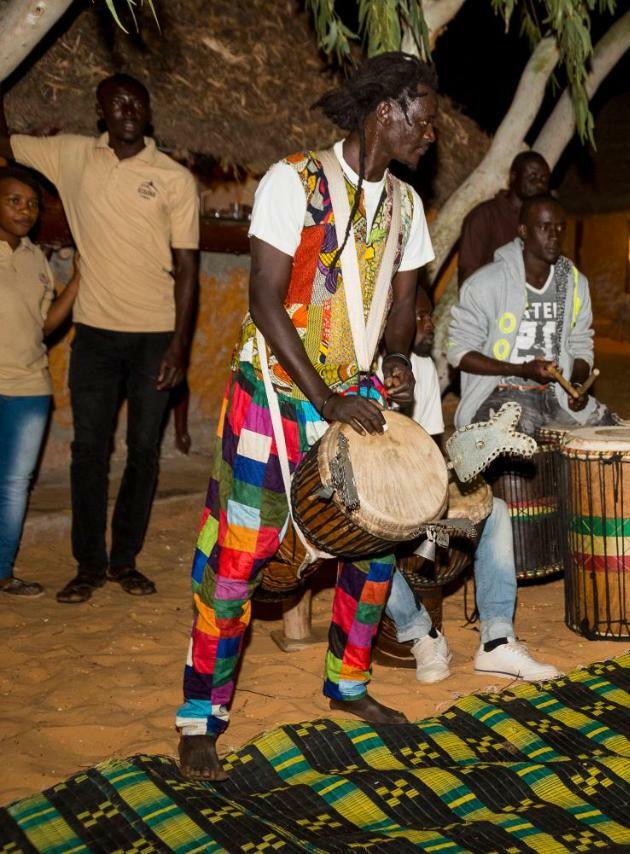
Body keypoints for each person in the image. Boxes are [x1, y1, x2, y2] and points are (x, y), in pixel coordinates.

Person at [175, 52, 439, 781]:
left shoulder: (409, 208)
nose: (432, 136)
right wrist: (323, 399)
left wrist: (397, 364)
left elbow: (403, 307)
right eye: (424, 120)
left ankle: (348, 685)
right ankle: (201, 715)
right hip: (277, 395)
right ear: (386, 111)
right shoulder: (293, 181)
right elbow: (264, 298)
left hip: (356, 395)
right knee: (238, 559)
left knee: (376, 542)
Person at [1, 74, 200, 604]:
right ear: (101, 111)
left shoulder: (175, 179)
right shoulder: (71, 156)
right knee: (88, 452)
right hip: (92, 335)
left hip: (155, 336)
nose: (129, 108)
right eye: (118, 102)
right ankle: (88, 564)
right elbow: (7, 144)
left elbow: (188, 268)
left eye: (138, 100)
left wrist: (180, 346)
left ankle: (124, 562)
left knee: (142, 453)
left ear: (149, 111)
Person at [382, 289, 560, 683]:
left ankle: (496, 641)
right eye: (422, 316)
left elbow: (430, 447)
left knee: (493, 510)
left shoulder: (423, 368)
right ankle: (421, 634)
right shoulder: (361, 369)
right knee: (368, 545)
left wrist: (465, 464)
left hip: (415, 496)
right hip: (374, 500)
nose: (429, 325)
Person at [448, 194, 617, 436]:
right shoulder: (486, 283)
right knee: (513, 448)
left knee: (611, 437)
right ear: (524, 231)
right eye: (544, 227)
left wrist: (576, 387)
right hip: (501, 391)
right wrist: (521, 369)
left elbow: (581, 345)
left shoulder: (574, 283)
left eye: (560, 227)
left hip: (556, 395)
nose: (554, 235)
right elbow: (460, 353)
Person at [0, 165, 79, 597]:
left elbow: (44, 324)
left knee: (13, 485)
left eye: (31, 204)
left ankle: (3, 571)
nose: (25, 210)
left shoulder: (35, 259)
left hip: (30, 387)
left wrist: (77, 282)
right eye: (14, 200)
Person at [457, 151, 550, 286]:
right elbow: (468, 275)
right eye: (533, 177)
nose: (540, 184)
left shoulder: (543, 223)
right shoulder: (484, 216)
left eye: (544, 180)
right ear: (513, 177)